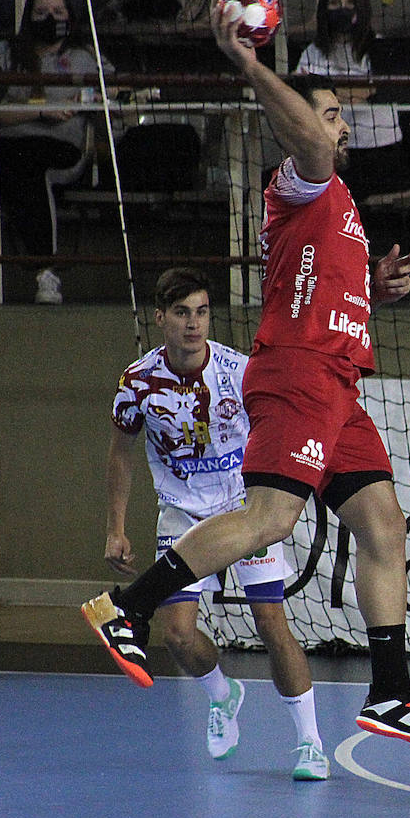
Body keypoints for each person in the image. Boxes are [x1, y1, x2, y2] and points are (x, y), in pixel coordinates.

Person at [79, 0, 410, 752]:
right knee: (270, 519)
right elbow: (309, 144)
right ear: (299, 128)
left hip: (340, 382)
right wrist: (253, 65)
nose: (337, 127)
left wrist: (371, 293)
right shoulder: (299, 183)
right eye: (324, 115)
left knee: (383, 522)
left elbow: (322, 292)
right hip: (297, 375)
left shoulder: (343, 208)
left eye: (339, 119)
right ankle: (126, 607)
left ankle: (391, 689)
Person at [105, 268, 329, 779]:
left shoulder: (239, 370)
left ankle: (310, 742)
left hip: (242, 511)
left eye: (201, 312)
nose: (193, 324)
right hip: (182, 514)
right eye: (182, 313)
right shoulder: (137, 382)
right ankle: (223, 696)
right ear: (160, 317)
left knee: (272, 623)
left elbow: (279, 425)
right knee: (177, 635)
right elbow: (120, 455)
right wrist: (115, 528)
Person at [0, 0, 112, 305]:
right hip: (4, 148)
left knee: (29, 163)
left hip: (62, 149)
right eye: (41, 12)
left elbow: (114, 93)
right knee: (3, 161)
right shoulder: (5, 54)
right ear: (28, 16)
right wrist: (40, 110)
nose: (49, 18)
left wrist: (89, 97)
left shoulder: (84, 57)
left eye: (57, 12)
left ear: (70, 17)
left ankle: (46, 273)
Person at [294, 0, 410, 203]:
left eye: (350, 2)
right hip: (333, 154)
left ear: (361, 7)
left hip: (381, 151)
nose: (343, 9)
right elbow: (304, 98)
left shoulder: (378, 48)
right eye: (334, 3)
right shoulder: (312, 53)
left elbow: (370, 91)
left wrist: (337, 94)